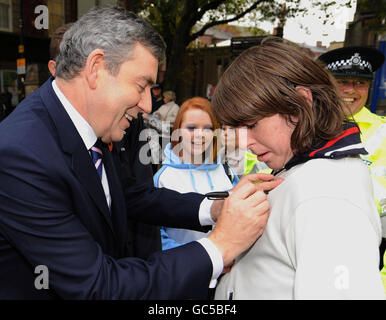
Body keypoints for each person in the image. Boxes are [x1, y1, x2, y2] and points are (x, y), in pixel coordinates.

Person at [0, 6, 280, 300]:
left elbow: (131, 196)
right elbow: (99, 287)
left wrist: (214, 209)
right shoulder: (20, 155)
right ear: (96, 68)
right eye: (141, 85)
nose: (147, 104)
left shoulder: (92, 126)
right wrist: (220, 246)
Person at [212, 38, 384, 299]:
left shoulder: (328, 197)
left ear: (302, 103)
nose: (243, 142)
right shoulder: (302, 165)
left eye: (251, 125)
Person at [318, 46, 386, 272]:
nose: (351, 90)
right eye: (342, 82)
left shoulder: (383, 133)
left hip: (365, 255)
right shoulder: (306, 127)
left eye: (360, 83)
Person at [154, 97, 239, 250]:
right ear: (178, 130)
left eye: (207, 128)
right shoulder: (162, 177)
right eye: (191, 128)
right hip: (184, 270)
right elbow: (155, 236)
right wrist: (193, 261)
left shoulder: (227, 172)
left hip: (227, 268)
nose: (200, 134)